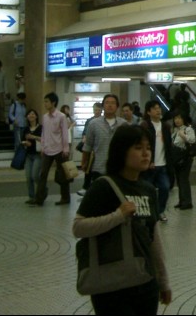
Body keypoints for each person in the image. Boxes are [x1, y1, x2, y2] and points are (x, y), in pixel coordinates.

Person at [73, 125, 172, 315]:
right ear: (121, 151)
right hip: (111, 286)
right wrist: (117, 216)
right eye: (138, 148)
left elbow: (153, 237)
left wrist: (163, 280)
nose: (146, 153)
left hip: (145, 282)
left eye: (148, 148)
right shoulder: (103, 186)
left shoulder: (148, 189)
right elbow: (78, 228)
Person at [33, 92, 71, 207]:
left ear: (53, 103)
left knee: (63, 175)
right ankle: (39, 198)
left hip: (60, 149)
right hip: (48, 149)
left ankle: (65, 197)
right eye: (44, 101)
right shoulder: (45, 117)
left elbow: (65, 133)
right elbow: (44, 133)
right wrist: (43, 147)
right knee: (43, 174)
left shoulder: (61, 116)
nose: (45, 104)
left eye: (46, 101)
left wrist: (66, 149)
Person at [82, 94, 128, 185]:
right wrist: (84, 161)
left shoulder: (123, 124)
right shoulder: (93, 124)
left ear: (117, 106)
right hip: (99, 167)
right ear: (103, 106)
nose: (110, 105)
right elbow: (88, 145)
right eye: (107, 103)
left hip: (119, 168)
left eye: (113, 103)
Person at [140, 100, 174, 221]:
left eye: (159, 108)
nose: (158, 110)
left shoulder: (165, 126)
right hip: (149, 166)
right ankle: (147, 212)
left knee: (165, 188)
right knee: (147, 191)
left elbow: (169, 146)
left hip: (163, 164)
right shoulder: (145, 126)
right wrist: (148, 161)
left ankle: (160, 211)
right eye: (154, 108)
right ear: (148, 112)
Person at [171, 113, 195, 210]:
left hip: (185, 158)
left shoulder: (188, 129)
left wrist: (184, 136)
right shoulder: (175, 130)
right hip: (177, 158)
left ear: (184, 119)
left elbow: (192, 140)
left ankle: (187, 202)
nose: (177, 120)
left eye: (179, 117)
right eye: (175, 118)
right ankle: (182, 201)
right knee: (179, 180)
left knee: (184, 179)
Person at [78, 101, 102, 196]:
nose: (97, 111)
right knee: (87, 167)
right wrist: (84, 138)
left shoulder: (103, 121)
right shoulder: (89, 121)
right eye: (95, 109)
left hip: (98, 148)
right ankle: (86, 187)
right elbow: (85, 132)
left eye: (99, 110)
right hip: (90, 148)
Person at [22, 109, 43, 205]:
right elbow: (22, 141)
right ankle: (31, 197)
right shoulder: (25, 129)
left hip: (38, 154)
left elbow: (45, 140)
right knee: (28, 177)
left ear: (36, 116)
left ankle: (42, 190)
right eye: (29, 114)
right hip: (28, 155)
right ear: (27, 117)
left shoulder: (41, 128)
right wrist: (25, 143)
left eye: (33, 114)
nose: (31, 115)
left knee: (35, 175)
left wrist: (34, 137)